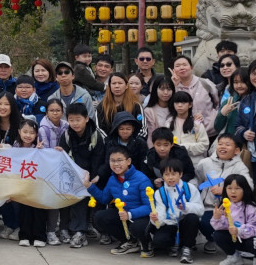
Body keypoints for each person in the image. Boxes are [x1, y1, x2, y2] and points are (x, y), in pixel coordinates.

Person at [89, 146, 152, 255]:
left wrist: (130, 214)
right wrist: (89, 186)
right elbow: (104, 199)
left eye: (119, 160)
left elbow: (149, 207)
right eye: (112, 161)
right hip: (124, 215)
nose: (116, 164)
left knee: (137, 227)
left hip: (141, 217)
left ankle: (147, 243)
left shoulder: (141, 179)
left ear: (128, 161)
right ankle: (130, 242)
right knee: (100, 217)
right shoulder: (112, 179)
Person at [56, 103, 103, 248]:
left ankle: (87, 229)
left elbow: (100, 159)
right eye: (71, 120)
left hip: (94, 175)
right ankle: (77, 231)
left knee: (91, 194)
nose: (75, 123)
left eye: (78, 119)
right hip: (74, 176)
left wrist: (93, 178)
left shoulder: (97, 135)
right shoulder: (66, 135)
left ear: (87, 118)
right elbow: (64, 160)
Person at [147, 158, 205, 261]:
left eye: (173, 174)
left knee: (192, 218)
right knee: (159, 241)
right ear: (162, 176)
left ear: (180, 174)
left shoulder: (190, 188)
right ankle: (174, 244)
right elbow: (161, 213)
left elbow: (200, 210)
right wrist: (155, 218)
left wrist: (186, 207)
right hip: (170, 223)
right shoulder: (159, 192)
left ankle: (187, 247)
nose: (170, 178)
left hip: (184, 223)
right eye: (166, 174)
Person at [212, 173, 256, 265]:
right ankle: (234, 256)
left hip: (250, 239)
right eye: (229, 188)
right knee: (218, 235)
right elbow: (220, 227)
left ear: (245, 189)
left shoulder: (251, 206)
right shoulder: (225, 206)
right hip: (236, 239)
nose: (233, 192)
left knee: (255, 241)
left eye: (237, 188)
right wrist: (217, 218)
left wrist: (239, 230)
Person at [13, 119, 51, 248]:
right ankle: (24, 236)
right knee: (25, 211)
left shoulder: (40, 147)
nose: (28, 135)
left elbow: (46, 163)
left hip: (38, 186)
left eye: (32, 133)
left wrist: (41, 151)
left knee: (39, 210)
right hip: (23, 186)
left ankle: (40, 236)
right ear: (19, 132)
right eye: (25, 132)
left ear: (36, 135)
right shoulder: (15, 147)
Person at [168, 55, 219, 131]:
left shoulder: (205, 83)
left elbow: (218, 102)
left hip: (210, 130)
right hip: (185, 132)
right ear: (173, 70)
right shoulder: (171, 88)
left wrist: (214, 119)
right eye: (178, 66)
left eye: (184, 65)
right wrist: (175, 86)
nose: (181, 68)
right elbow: (170, 108)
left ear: (191, 67)